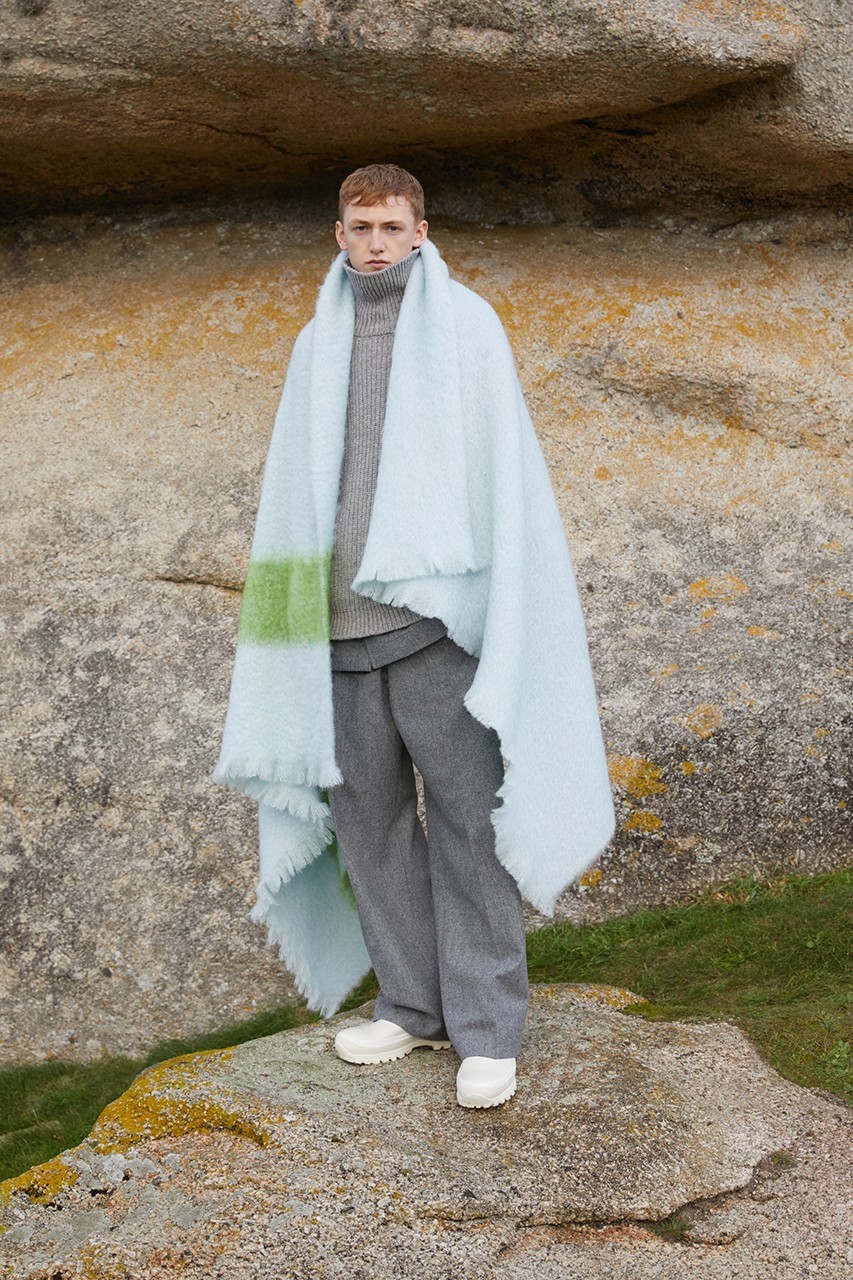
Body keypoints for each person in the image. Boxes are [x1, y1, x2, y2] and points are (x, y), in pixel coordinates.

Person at [211, 162, 615, 1111]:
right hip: (335, 637)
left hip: (437, 631)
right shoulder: (317, 340)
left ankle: (487, 1028)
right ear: (339, 234)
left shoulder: (466, 326)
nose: (375, 243)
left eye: (391, 226)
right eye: (360, 228)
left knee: (470, 827)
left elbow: (500, 476)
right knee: (370, 831)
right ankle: (412, 1005)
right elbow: (292, 495)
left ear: (420, 231)